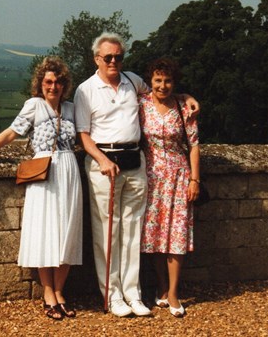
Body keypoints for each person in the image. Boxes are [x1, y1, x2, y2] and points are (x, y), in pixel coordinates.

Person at [73, 32, 199, 317]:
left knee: (132, 231)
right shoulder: (86, 90)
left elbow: (161, 93)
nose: (114, 61)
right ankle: (112, 294)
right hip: (104, 163)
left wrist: (186, 96)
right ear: (97, 59)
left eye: (118, 56)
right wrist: (102, 160)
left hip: (135, 162)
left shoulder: (132, 81)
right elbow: (83, 135)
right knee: (107, 231)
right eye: (108, 57)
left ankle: (133, 293)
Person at [0, 57, 83, 321]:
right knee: (45, 231)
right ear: (40, 84)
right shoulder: (34, 106)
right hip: (43, 174)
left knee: (67, 232)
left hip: (70, 172)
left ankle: (61, 292)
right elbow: (10, 133)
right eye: (48, 82)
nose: (53, 86)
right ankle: (48, 293)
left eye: (58, 82)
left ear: (64, 85)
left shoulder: (72, 109)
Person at [139, 58, 200, 318]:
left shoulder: (183, 107)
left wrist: (194, 180)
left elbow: (194, 145)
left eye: (167, 81)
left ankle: (174, 292)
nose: (162, 85)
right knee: (153, 236)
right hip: (150, 178)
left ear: (174, 83)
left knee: (176, 236)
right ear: (150, 81)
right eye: (158, 80)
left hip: (178, 177)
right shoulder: (141, 104)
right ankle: (161, 287)